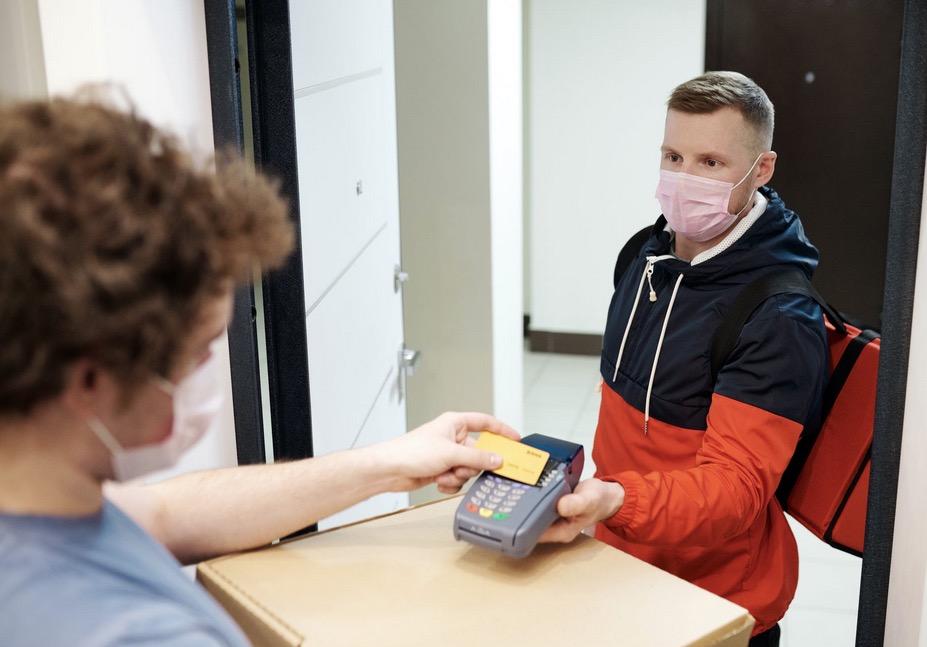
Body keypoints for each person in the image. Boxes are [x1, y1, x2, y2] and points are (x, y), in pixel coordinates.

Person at [0, 96, 518, 646]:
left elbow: (167, 514)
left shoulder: (46, 498)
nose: (207, 374)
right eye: (198, 351)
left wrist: (389, 462)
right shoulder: (133, 632)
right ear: (90, 382)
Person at [540, 71, 829, 646]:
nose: (683, 179)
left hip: (713, 601)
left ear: (761, 169)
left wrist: (616, 498)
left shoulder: (780, 317)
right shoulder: (644, 256)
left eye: (710, 163)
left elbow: (734, 489)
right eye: (673, 156)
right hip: (620, 565)